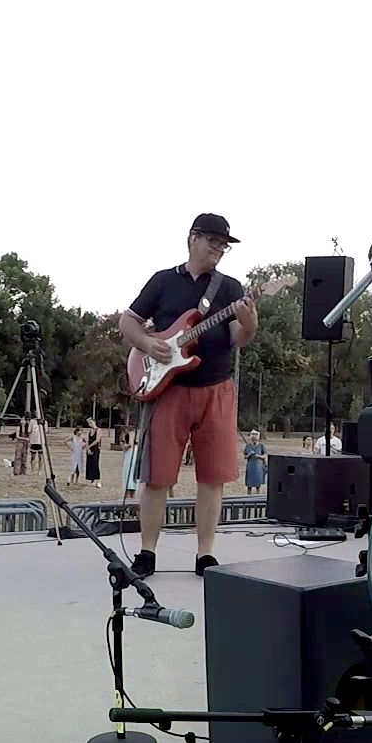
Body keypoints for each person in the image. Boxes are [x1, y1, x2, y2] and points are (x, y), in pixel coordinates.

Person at [117, 213, 258, 577]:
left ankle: (205, 554)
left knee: (213, 477)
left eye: (224, 245)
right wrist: (147, 343)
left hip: (216, 389)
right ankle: (147, 552)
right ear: (193, 238)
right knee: (157, 476)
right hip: (169, 390)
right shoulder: (163, 281)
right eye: (213, 241)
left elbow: (238, 338)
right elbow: (128, 321)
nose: (219, 249)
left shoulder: (230, 287)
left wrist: (250, 322)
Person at [242, 429, 267, 495]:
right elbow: (245, 457)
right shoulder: (248, 446)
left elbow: (265, 456)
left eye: (255, 439)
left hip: (258, 468)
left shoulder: (261, 446)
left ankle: (257, 498)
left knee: (258, 486)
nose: (254, 440)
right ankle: (248, 498)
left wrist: (258, 456)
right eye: (253, 439)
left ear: (257, 438)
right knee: (249, 486)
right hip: (250, 468)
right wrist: (249, 454)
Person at [84, 419, 103, 487]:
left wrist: (90, 446)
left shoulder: (99, 430)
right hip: (89, 448)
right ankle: (91, 478)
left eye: (91, 422)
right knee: (89, 463)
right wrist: (87, 448)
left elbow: (97, 440)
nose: (90, 424)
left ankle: (96, 478)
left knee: (95, 463)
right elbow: (87, 440)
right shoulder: (90, 431)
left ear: (94, 422)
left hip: (95, 448)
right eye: (89, 423)